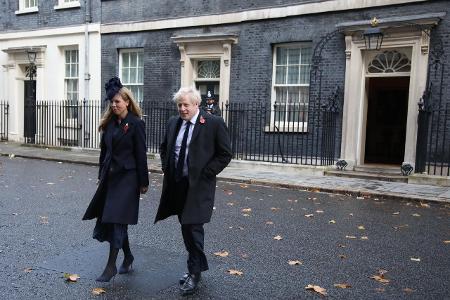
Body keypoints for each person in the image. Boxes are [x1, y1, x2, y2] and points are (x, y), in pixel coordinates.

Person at [154, 86, 232, 296]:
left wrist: (207, 173)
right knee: (186, 229)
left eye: (186, 105)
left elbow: (225, 154)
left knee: (193, 229)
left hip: (198, 188)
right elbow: (164, 147)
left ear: (196, 104)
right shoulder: (173, 123)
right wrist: (166, 167)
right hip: (178, 186)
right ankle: (195, 268)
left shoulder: (213, 123)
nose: (182, 109)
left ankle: (194, 272)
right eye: (179, 105)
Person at [82, 77, 149, 282]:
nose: (114, 105)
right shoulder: (109, 124)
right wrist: (100, 175)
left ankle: (110, 266)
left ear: (127, 102)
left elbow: (141, 154)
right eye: (112, 102)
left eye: (117, 101)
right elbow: (104, 153)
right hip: (111, 179)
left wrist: (143, 182)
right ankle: (127, 256)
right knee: (115, 219)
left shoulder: (136, 124)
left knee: (117, 219)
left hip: (128, 179)